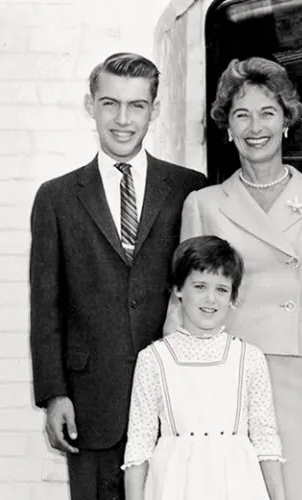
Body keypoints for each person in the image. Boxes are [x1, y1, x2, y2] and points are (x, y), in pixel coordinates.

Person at [165, 56, 302, 500]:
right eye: (242, 115)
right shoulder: (204, 203)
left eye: (268, 113)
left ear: (287, 121)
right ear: (228, 128)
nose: (256, 127)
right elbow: (183, 306)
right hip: (222, 375)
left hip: (301, 376)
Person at [29, 52, 206, 499]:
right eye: (110, 103)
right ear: (91, 106)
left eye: (136, 105)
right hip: (91, 404)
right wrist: (54, 395)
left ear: (155, 110)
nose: (122, 119)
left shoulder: (190, 189)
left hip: (176, 401)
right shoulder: (57, 197)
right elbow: (45, 304)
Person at [123, 236, 286, 500]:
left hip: (238, 484)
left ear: (233, 296)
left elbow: (266, 440)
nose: (210, 299)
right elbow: (139, 446)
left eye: (221, 289)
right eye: (200, 286)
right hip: (173, 485)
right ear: (178, 289)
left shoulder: (249, 358)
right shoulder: (154, 359)